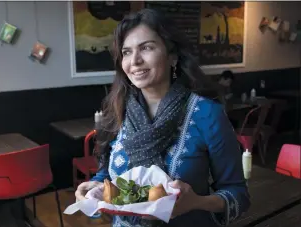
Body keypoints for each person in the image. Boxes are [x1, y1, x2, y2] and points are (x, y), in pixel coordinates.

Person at [75, 8, 250, 227]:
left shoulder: (206, 113)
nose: (135, 60)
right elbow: (110, 175)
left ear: (172, 57)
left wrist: (197, 202)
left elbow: (239, 197)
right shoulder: (118, 111)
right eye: (126, 52)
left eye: (146, 47)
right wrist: (96, 185)